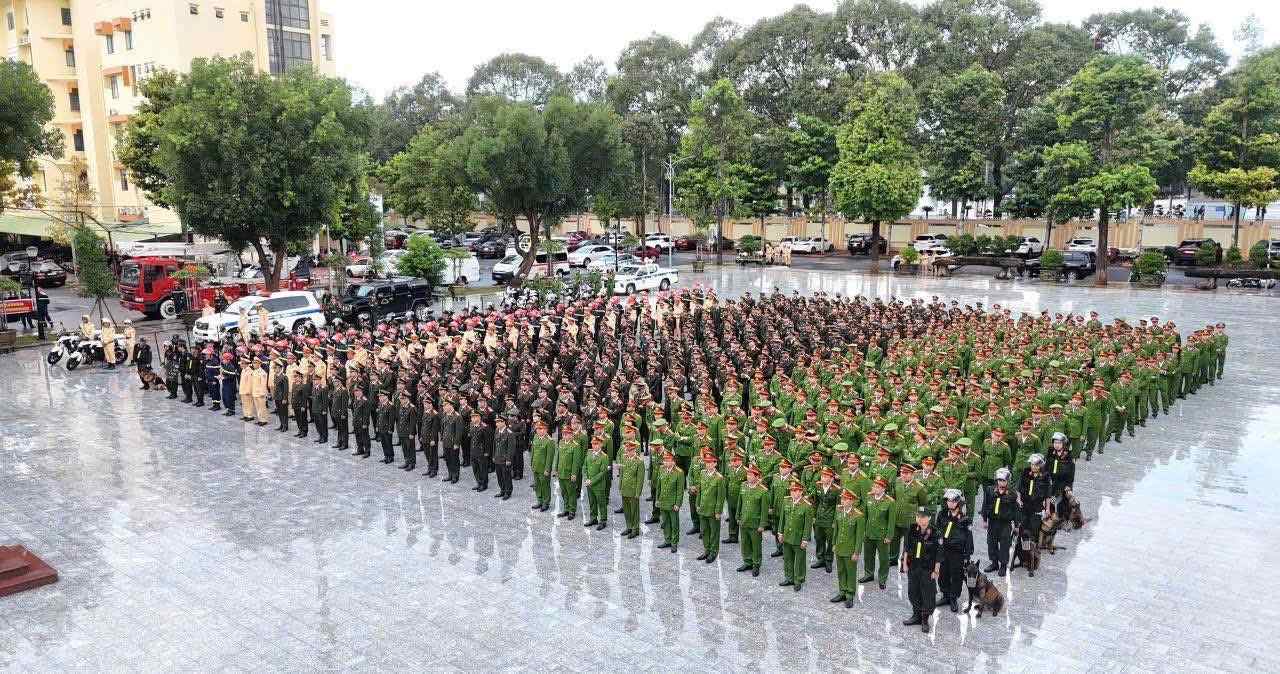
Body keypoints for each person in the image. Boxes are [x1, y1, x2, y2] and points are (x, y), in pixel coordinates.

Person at [902, 506, 941, 633]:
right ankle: (916, 615)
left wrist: (936, 571)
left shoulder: (935, 533)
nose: (920, 519)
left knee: (928, 594)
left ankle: (924, 619)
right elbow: (907, 547)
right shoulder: (912, 529)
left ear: (929, 518)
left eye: (923, 517)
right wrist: (904, 564)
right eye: (918, 516)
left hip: (927, 568)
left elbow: (939, 554)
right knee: (913, 591)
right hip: (914, 566)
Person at [934, 488, 973, 612]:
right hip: (944, 549)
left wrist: (967, 555)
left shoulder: (965, 518)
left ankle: (953, 597)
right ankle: (945, 595)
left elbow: (969, 537)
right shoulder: (942, 514)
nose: (950, 503)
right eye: (948, 501)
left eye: (952, 501)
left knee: (956, 575)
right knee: (943, 573)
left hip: (957, 552)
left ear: (958, 502)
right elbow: (937, 529)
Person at [831, 488, 866, 608]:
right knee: (840, 570)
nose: (843, 501)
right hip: (840, 547)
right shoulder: (839, 510)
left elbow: (859, 536)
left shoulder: (858, 516)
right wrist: (834, 544)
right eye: (842, 498)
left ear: (851, 501)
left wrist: (856, 552)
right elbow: (836, 528)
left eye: (845, 499)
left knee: (850, 572)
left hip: (850, 550)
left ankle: (850, 594)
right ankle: (842, 591)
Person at [860, 476, 896, 589]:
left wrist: (889, 536)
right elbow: (865, 516)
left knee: (884, 558)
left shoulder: (890, 502)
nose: (875, 488)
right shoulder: (868, 498)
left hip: (882, 535)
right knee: (868, 556)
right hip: (869, 533)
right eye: (874, 486)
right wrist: (863, 531)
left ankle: (882, 578)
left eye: (878, 486)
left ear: (883, 488)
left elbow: (891, 521)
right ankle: (868, 574)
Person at [778, 479, 813, 591]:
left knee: (799, 560)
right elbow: (782, 519)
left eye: (796, 491)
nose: (793, 493)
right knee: (787, 558)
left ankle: (798, 579)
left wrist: (805, 539)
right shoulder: (786, 501)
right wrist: (780, 532)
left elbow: (808, 525)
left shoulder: (807, 506)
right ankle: (789, 578)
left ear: (801, 492)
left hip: (798, 538)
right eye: (792, 490)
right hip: (787, 535)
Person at [981, 467, 1017, 576]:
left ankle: (1003, 565)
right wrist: (984, 519)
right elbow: (985, 505)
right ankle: (994, 562)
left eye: (1003, 480)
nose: (1001, 482)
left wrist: (1017, 524)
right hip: (993, 521)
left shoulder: (1012, 494)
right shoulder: (990, 490)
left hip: (1005, 523)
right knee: (991, 543)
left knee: (1005, 544)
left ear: (1007, 481)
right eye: (999, 480)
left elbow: (1016, 510)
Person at [737, 464, 769, 576]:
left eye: (751, 475)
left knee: (756, 545)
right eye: (748, 474)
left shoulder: (763, 491)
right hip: (744, 520)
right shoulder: (743, 486)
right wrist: (738, 516)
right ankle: (747, 561)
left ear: (757, 476)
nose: (748, 477)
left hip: (755, 523)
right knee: (745, 543)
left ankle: (756, 564)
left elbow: (764, 510)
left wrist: (762, 524)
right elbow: (739, 503)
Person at [696, 451, 726, 563]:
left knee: (714, 532)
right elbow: (700, 491)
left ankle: (713, 552)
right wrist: (697, 504)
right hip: (703, 507)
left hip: (713, 510)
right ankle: (706, 549)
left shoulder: (719, 478)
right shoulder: (702, 473)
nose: (708, 464)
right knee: (704, 530)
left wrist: (718, 511)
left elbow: (720, 497)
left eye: (710, 462)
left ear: (715, 464)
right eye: (706, 462)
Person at [811, 466, 839, 574]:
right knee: (818, 539)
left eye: (826, 476)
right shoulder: (818, 486)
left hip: (830, 519)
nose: (823, 478)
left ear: (832, 478)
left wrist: (834, 521)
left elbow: (838, 506)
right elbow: (815, 502)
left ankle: (828, 561)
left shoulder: (836, 490)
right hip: (819, 518)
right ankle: (820, 559)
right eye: (823, 476)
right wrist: (814, 516)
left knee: (830, 542)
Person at [655, 450, 685, 552]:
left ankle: (674, 542)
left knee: (674, 523)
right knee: (666, 522)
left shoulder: (679, 473)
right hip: (663, 501)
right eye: (664, 460)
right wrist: (657, 499)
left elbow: (680, 490)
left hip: (672, 503)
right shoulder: (661, 469)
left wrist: (678, 504)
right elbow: (659, 486)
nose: (666, 463)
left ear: (673, 461)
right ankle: (667, 540)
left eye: (668, 460)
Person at [555, 425, 584, 520]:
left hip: (569, 473)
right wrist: (556, 469)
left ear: (571, 435)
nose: (564, 435)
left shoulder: (575, 445)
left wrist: (574, 474)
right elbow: (558, 456)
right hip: (561, 472)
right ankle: (566, 509)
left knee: (571, 493)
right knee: (563, 492)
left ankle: (572, 510)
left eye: (566, 434)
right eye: (563, 434)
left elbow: (576, 462)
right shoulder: (561, 442)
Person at [582, 434, 612, 529]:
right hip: (589, 483)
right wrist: (586, 478)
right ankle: (593, 518)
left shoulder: (604, 457)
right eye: (593, 444)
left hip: (598, 484)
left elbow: (603, 472)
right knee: (592, 502)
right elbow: (584, 467)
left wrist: (591, 481)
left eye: (596, 444)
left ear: (601, 445)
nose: (594, 446)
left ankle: (603, 520)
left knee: (601, 503)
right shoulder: (589, 453)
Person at [530, 419, 557, 511]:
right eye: (538, 429)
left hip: (544, 468)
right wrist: (531, 463)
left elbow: (550, 457)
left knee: (545, 485)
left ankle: (546, 502)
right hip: (536, 466)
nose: (539, 430)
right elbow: (533, 452)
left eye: (541, 429)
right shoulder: (535, 437)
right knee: (537, 485)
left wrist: (547, 469)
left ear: (546, 430)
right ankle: (539, 500)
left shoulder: (549, 441)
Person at [493, 415, 516, 500]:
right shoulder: (497, 431)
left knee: (506, 476)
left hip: (505, 459)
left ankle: (508, 492)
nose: (497, 423)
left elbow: (511, 448)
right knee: (499, 476)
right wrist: (493, 456)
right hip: (497, 458)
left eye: (499, 422)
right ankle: (502, 490)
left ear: (504, 422)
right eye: (496, 422)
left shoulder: (509, 433)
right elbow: (494, 444)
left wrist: (509, 459)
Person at [467, 410, 490, 490]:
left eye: (474, 417)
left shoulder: (484, 427)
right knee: (475, 468)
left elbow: (487, 441)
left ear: (479, 417)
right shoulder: (471, 425)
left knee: (482, 468)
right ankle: (479, 482)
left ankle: (484, 484)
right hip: (473, 450)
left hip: (481, 451)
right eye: (472, 417)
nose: (472, 418)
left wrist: (487, 452)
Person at [396, 391, 417, 470]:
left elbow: (413, 422)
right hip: (402, 431)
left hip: (409, 432)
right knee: (404, 447)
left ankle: (412, 463)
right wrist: (398, 429)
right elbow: (399, 419)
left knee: (410, 448)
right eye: (400, 398)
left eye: (402, 398)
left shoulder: (411, 408)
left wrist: (412, 433)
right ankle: (407, 461)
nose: (400, 400)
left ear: (406, 398)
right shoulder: (402, 406)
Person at [375, 390, 396, 464]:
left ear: (386, 397)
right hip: (381, 427)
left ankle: (390, 457)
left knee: (388, 443)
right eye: (379, 396)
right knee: (383, 443)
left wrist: (391, 429)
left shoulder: (390, 406)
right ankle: (386, 456)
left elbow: (391, 419)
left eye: (381, 396)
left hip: (387, 428)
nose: (380, 398)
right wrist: (377, 425)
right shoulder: (380, 404)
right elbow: (378, 417)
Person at [351, 385, 371, 457]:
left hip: (362, 422)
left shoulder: (365, 400)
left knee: (365, 437)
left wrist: (365, 423)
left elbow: (366, 413)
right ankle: (360, 449)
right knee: (358, 436)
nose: (356, 393)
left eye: (357, 391)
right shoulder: (356, 399)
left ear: (361, 391)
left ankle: (367, 451)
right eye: (355, 391)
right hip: (356, 421)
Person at [290, 371, 311, 438]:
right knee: (298, 419)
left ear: (301, 378)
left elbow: (304, 397)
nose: (296, 378)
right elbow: (293, 395)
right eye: (295, 377)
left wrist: (303, 406)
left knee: (303, 419)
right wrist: (292, 403)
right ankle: (300, 430)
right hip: (295, 404)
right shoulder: (294, 384)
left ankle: (304, 431)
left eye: (298, 377)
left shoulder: (304, 386)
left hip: (301, 405)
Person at [329, 376, 349, 445]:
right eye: (334, 381)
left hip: (341, 413)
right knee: (339, 428)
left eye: (336, 381)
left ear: (340, 382)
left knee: (343, 429)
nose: (334, 383)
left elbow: (344, 403)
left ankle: (345, 444)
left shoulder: (344, 390)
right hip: (336, 412)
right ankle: (339, 442)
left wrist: (343, 414)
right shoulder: (335, 389)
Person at [310, 375, 330, 444]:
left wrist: (325, 410)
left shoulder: (323, 388)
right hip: (315, 409)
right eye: (314, 380)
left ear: (319, 380)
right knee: (317, 424)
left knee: (323, 424)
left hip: (321, 410)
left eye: (316, 380)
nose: (315, 381)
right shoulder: (314, 388)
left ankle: (324, 438)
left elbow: (325, 400)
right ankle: (320, 436)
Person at [273, 360, 291, 432]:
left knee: (284, 412)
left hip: (282, 398)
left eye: (276, 368)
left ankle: (285, 426)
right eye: (274, 368)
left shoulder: (284, 377)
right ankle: (281, 424)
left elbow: (286, 389)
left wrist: (285, 398)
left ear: (280, 368)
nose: (275, 369)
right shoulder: (275, 375)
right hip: (277, 397)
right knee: (279, 412)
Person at [218, 352, 238, 417]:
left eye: (224, 359)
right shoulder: (224, 365)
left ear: (228, 360)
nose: (222, 360)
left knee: (230, 398)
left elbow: (232, 376)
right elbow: (223, 373)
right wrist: (220, 376)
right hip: (225, 384)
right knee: (225, 397)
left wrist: (224, 377)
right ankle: (227, 409)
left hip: (230, 385)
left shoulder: (231, 366)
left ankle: (232, 410)